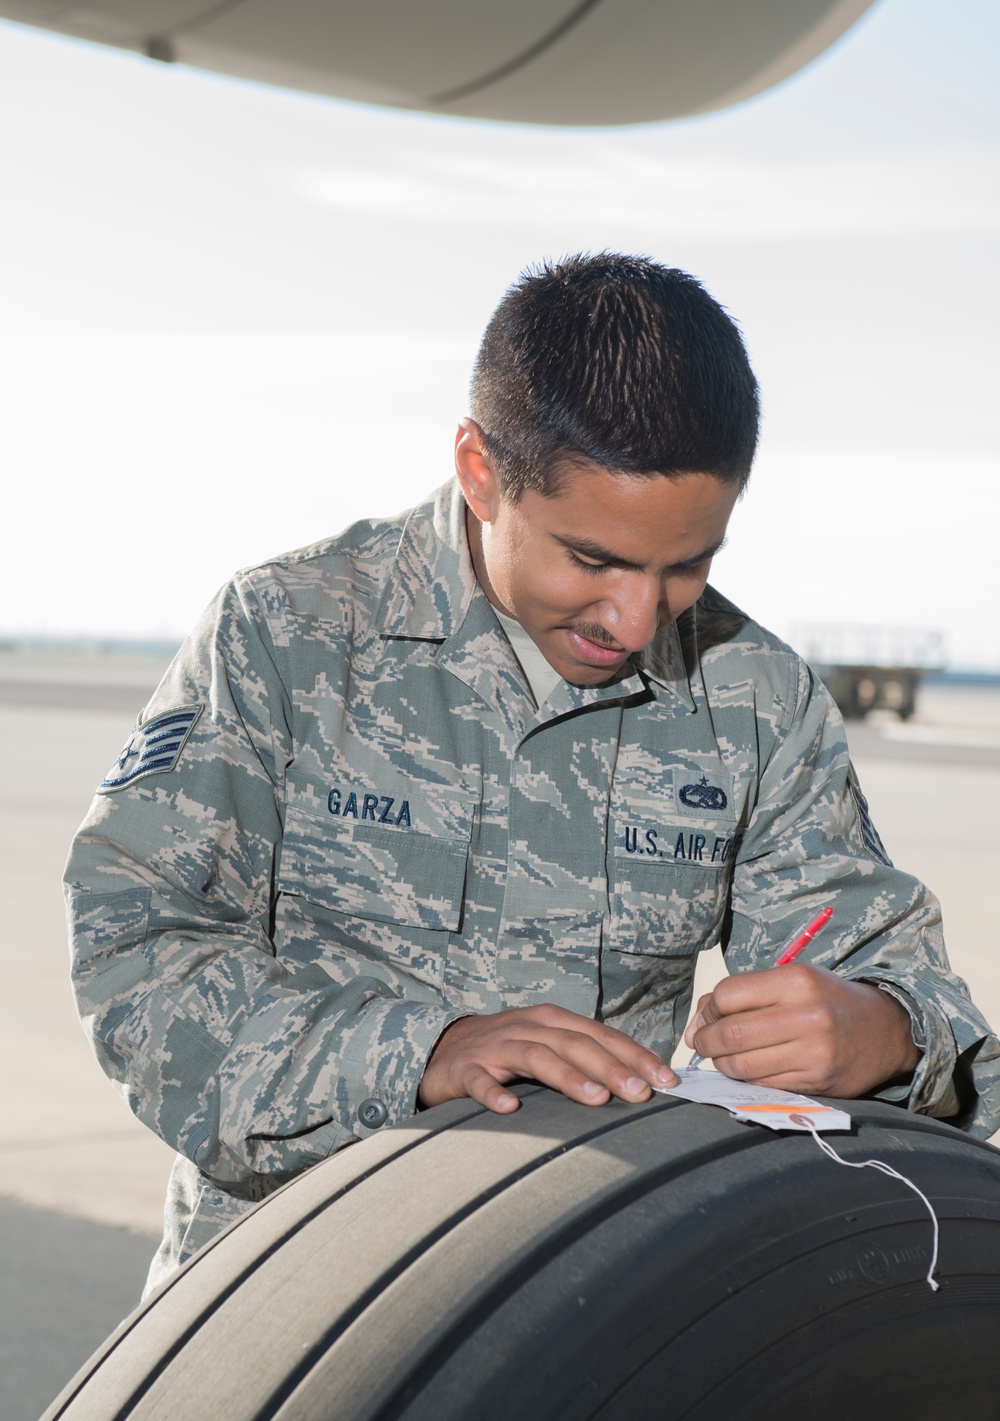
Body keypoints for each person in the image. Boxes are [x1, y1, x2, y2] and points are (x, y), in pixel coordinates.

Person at [65, 253, 1000, 1291]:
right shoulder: (286, 634)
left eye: (687, 563)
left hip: (586, 1317)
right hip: (289, 1305)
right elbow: (138, 961)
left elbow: (909, 988)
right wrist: (419, 1052)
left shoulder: (756, 695)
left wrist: (880, 1028)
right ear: (478, 468)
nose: (636, 619)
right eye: (592, 558)